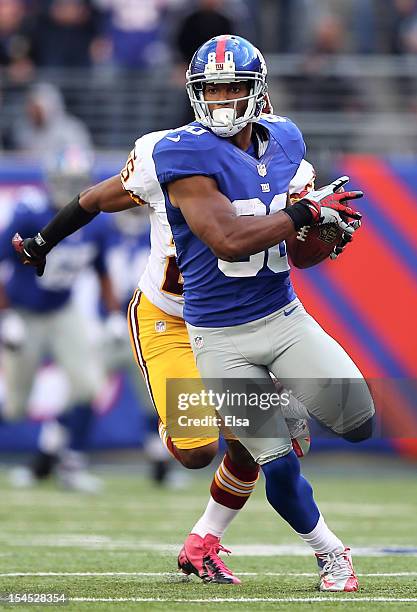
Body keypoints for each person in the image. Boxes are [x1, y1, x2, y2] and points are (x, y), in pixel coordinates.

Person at [10, 122, 316, 584]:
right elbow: (94, 199)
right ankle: (199, 414)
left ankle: (203, 543)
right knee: (196, 451)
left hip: (231, 320)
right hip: (170, 317)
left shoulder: (277, 164)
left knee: (250, 446)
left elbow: (303, 250)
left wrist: (323, 229)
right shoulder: (166, 159)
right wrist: (43, 242)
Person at [0, 148, 120, 493]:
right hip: (24, 312)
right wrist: (6, 315)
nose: (68, 188)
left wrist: (111, 314)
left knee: (88, 386)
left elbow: (101, 271)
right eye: (63, 181)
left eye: (75, 182)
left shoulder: (96, 223)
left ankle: (71, 462)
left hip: (64, 311)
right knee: (15, 408)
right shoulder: (28, 212)